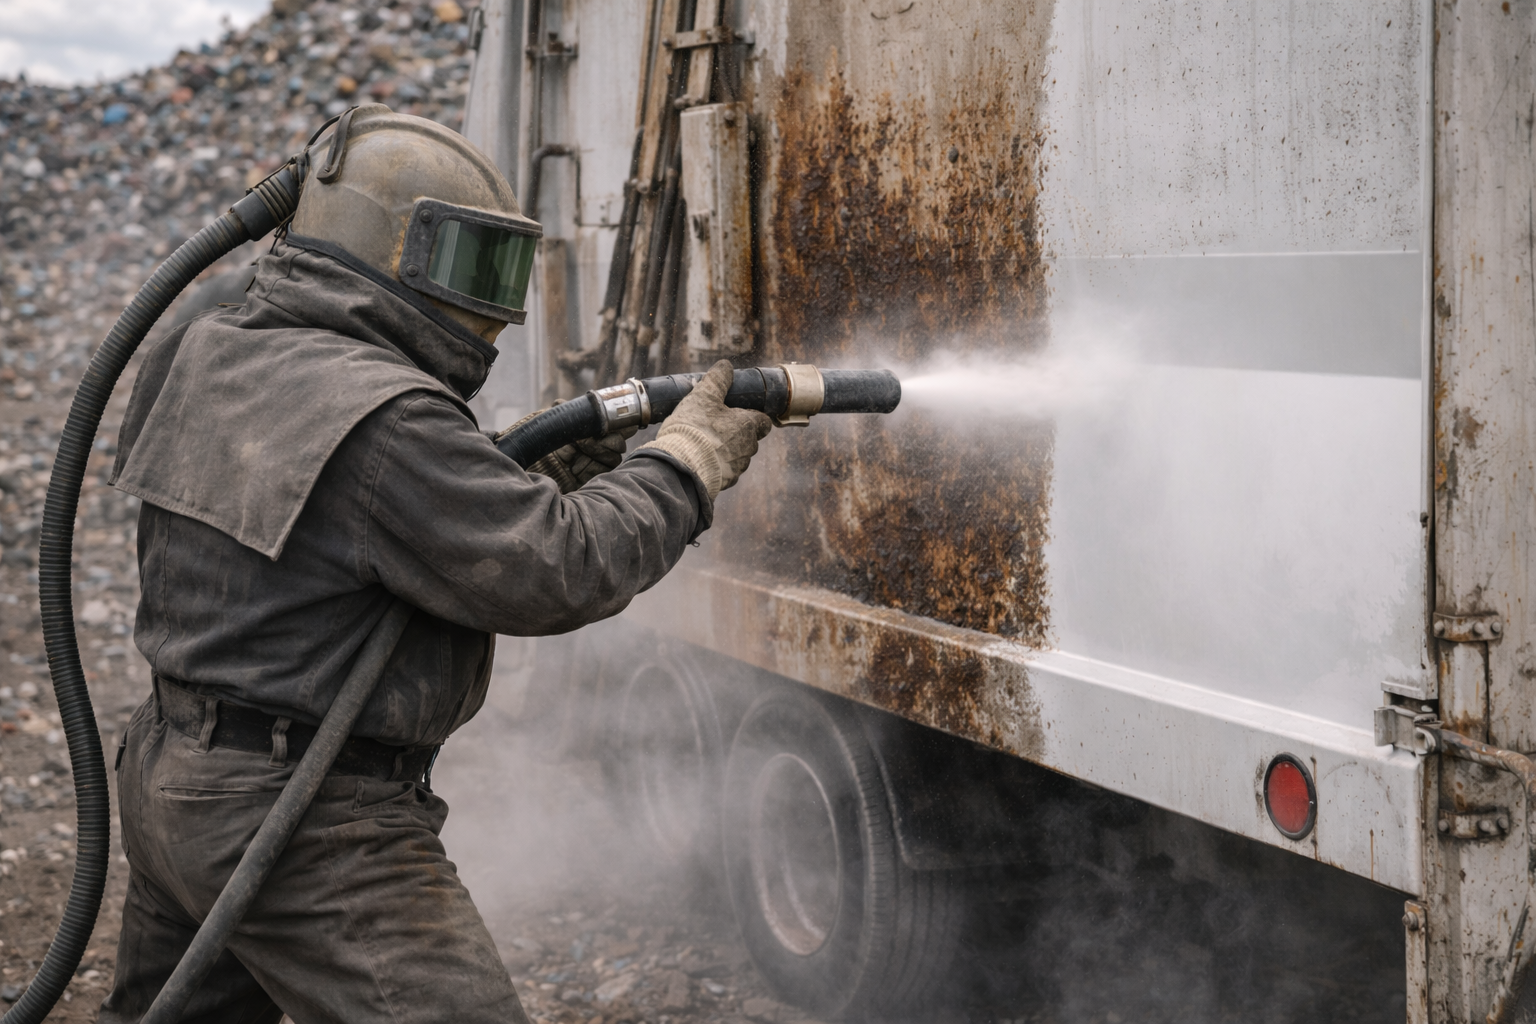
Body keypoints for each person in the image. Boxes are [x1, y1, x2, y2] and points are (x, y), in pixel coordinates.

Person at [98, 104, 772, 1024]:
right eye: (461, 262)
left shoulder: (205, 348)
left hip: (173, 775)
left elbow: (343, 528)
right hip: (305, 820)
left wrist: (515, 477)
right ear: (381, 249)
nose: (482, 302)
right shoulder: (387, 414)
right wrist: (684, 466)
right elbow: (562, 568)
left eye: (496, 268)